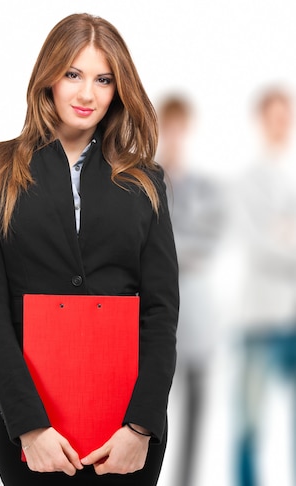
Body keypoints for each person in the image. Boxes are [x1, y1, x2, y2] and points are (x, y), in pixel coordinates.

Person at [0, 13, 179, 486]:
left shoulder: (145, 180)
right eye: (73, 75)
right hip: (33, 430)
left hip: (126, 433)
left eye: (103, 80)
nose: (87, 94)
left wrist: (141, 427)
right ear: (48, 78)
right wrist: (30, 427)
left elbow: (161, 312)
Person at [156, 95, 224, 486]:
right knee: (151, 413)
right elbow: (142, 246)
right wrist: (184, 246)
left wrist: (169, 247)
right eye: (170, 127)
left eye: (181, 128)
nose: (175, 136)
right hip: (157, 320)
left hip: (197, 318)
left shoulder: (206, 188)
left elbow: (211, 244)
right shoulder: (142, 183)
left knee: (198, 413)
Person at [232, 86, 296, 486]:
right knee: (250, 425)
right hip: (259, 320)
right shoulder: (247, 180)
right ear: (261, 121)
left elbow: (277, 241)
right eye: (273, 116)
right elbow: (258, 248)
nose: (280, 124)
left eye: (285, 117)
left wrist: (281, 232)